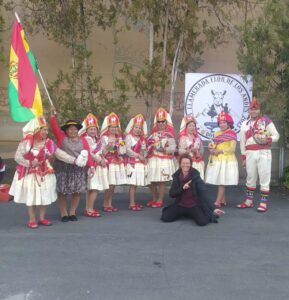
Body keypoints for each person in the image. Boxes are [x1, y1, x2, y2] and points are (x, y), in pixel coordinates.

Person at [9, 116, 85, 228]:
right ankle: (32, 219)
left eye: (46, 130)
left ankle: (42, 218)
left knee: (44, 195)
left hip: (45, 173)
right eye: (43, 129)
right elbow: (17, 157)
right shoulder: (26, 143)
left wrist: (75, 160)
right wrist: (30, 163)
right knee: (32, 196)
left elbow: (60, 154)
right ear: (36, 130)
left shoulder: (49, 142)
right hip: (31, 175)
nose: (46, 132)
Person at [50, 108, 94, 222]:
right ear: (66, 131)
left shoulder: (83, 140)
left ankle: (72, 212)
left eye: (74, 129)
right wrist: (52, 116)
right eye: (70, 129)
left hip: (78, 169)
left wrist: (91, 166)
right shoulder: (61, 138)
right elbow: (54, 128)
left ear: (77, 130)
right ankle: (64, 213)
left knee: (76, 191)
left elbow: (88, 154)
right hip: (63, 168)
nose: (72, 131)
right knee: (62, 191)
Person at [237, 97, 280, 212]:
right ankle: (249, 201)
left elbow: (276, 135)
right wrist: (243, 157)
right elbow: (242, 142)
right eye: (251, 109)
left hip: (263, 152)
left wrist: (268, 138)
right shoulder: (244, 125)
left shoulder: (266, 121)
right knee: (250, 177)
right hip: (250, 153)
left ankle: (263, 203)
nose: (253, 111)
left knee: (264, 177)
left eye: (255, 109)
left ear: (259, 110)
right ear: (249, 110)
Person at [161, 154, 224, 226]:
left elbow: (204, 194)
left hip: (193, 205)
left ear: (191, 164)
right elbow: (172, 194)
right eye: (183, 163)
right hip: (180, 205)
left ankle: (192, 214)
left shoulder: (196, 176)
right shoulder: (177, 175)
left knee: (202, 222)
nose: (185, 165)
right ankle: (186, 214)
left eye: (187, 163)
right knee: (165, 218)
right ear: (180, 164)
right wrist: (182, 188)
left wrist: (213, 209)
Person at [205, 111, 239, 207]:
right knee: (220, 178)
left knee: (222, 181)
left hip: (226, 159)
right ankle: (223, 200)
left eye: (224, 122)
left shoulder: (232, 134)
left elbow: (232, 149)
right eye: (220, 122)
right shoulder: (216, 133)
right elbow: (212, 144)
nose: (222, 124)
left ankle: (217, 202)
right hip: (216, 158)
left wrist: (219, 151)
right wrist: (211, 149)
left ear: (229, 123)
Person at [79, 113, 109, 217]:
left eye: (94, 129)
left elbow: (103, 153)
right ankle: (90, 209)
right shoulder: (87, 139)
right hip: (93, 166)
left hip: (99, 166)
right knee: (94, 188)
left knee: (92, 188)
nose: (93, 131)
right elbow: (90, 153)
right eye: (90, 129)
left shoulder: (98, 140)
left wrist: (108, 147)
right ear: (86, 130)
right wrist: (100, 160)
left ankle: (88, 208)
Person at [147, 107, 176, 208]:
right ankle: (154, 198)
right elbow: (147, 146)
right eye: (159, 122)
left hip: (164, 158)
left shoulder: (169, 135)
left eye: (163, 121)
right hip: (153, 159)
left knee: (162, 180)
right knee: (151, 180)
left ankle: (160, 200)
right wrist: (150, 146)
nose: (161, 123)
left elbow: (173, 148)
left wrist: (165, 150)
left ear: (166, 122)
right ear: (156, 123)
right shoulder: (152, 135)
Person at [100, 112, 126, 212]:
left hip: (116, 163)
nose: (114, 129)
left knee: (113, 184)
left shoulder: (120, 139)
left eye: (116, 127)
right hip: (108, 163)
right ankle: (105, 204)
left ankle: (109, 203)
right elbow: (102, 152)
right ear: (108, 128)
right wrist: (108, 146)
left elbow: (122, 152)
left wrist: (121, 147)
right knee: (109, 185)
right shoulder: (104, 138)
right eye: (112, 127)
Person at [125, 114, 148, 211]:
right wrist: (139, 155)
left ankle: (133, 202)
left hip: (139, 163)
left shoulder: (142, 139)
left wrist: (143, 151)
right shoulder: (129, 137)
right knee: (133, 184)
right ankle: (131, 203)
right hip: (132, 163)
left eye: (140, 128)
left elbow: (144, 153)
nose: (138, 129)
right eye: (136, 127)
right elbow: (128, 151)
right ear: (132, 127)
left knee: (136, 184)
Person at [178, 115, 205, 179]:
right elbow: (180, 151)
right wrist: (189, 151)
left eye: (193, 126)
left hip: (197, 163)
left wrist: (198, 153)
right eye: (190, 126)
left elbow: (202, 150)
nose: (192, 128)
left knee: (197, 183)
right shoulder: (183, 138)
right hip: (187, 164)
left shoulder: (197, 138)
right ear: (186, 127)